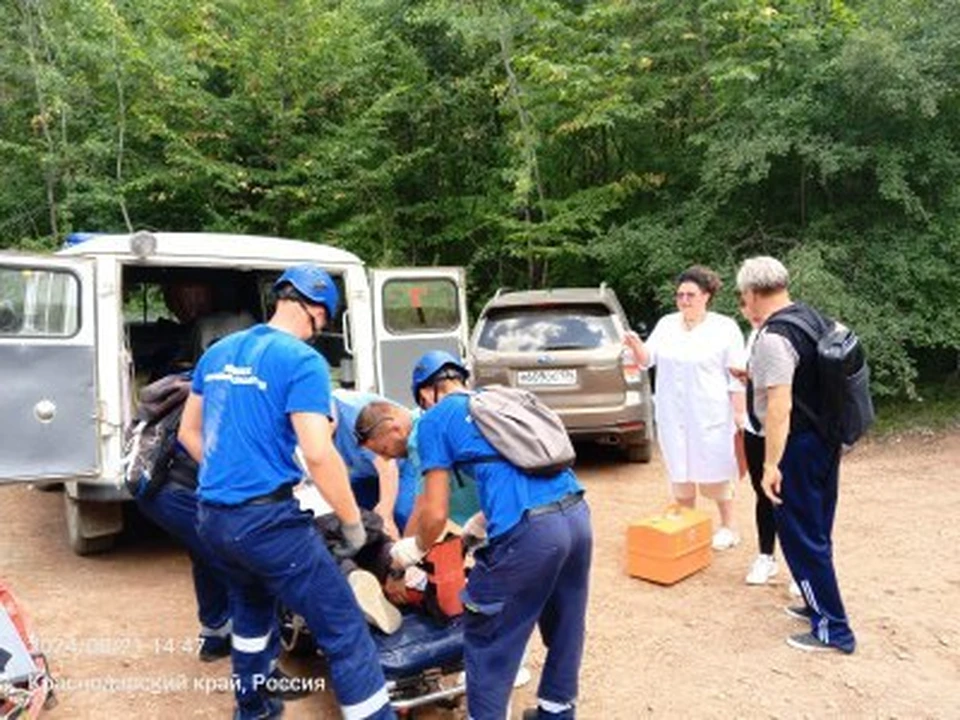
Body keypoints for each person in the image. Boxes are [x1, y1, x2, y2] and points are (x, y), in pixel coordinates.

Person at [179, 264, 395, 719]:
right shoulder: (302, 361)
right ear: (317, 310)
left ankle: (253, 709)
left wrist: (233, 474)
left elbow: (188, 434)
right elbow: (318, 453)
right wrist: (354, 524)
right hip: (266, 523)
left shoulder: (218, 353)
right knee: (344, 628)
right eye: (324, 324)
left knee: (252, 610)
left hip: (213, 519)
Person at [382, 350, 591, 720]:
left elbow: (434, 511)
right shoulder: (497, 402)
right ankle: (556, 712)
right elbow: (519, 474)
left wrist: (410, 550)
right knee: (565, 623)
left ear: (427, 393)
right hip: (577, 515)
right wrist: (472, 533)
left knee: (485, 635)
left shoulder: (434, 420)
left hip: (531, 533)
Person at [736, 255, 856, 654]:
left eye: (743, 297)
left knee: (802, 536)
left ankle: (833, 630)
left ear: (752, 294)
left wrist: (771, 464)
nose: (744, 304)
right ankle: (814, 604)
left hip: (797, 446)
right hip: (824, 438)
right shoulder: (811, 318)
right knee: (817, 528)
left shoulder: (773, 337)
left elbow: (779, 405)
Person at [629, 265, 747, 549]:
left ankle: (729, 527)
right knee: (680, 473)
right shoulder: (667, 324)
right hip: (672, 412)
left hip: (712, 414)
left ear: (706, 296)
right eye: (680, 295)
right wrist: (634, 344)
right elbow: (647, 360)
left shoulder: (724, 328)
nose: (684, 301)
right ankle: (688, 528)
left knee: (716, 473)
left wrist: (740, 415)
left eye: (690, 295)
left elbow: (736, 377)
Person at [733, 295, 780, 585]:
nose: (750, 313)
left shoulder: (781, 336)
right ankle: (766, 556)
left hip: (780, 429)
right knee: (761, 493)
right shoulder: (753, 336)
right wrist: (746, 377)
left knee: (787, 495)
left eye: (752, 307)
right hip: (754, 426)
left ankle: (801, 568)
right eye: (745, 308)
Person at [331, 388, 413, 538]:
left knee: (401, 514)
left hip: (401, 463)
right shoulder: (307, 425)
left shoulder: (356, 415)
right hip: (365, 471)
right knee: (355, 513)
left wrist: (386, 514)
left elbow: (387, 465)